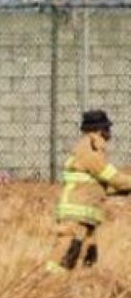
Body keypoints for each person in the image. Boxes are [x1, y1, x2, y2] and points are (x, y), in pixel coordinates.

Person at [46, 110, 131, 273]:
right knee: (64, 251)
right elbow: (111, 177)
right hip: (76, 212)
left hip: (84, 213)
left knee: (87, 255)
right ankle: (49, 283)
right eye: (107, 128)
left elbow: (97, 184)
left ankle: (80, 283)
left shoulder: (92, 148)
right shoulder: (90, 149)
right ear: (99, 130)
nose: (109, 133)